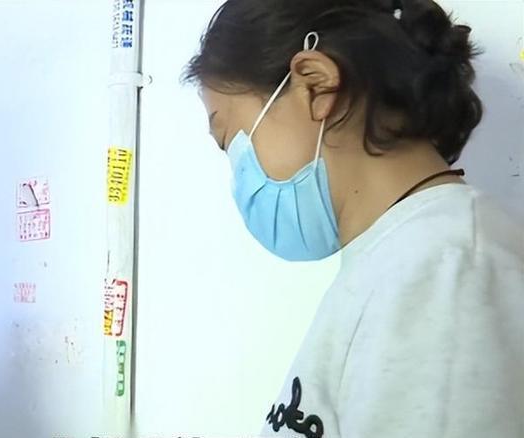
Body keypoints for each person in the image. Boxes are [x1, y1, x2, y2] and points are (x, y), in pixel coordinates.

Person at [182, 0, 524, 437]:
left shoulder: (446, 270)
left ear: (315, 85)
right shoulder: (404, 259)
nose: (239, 178)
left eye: (230, 140)